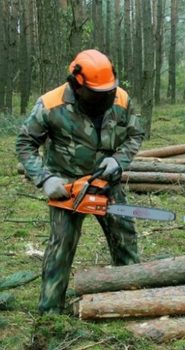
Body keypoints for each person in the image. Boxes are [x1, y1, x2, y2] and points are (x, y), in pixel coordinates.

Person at [16, 49, 145, 314]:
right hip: (67, 187)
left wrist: (119, 161)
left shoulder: (121, 99)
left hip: (106, 183)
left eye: (107, 93)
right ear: (77, 84)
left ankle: (132, 300)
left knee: (125, 239)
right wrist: (44, 178)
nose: (104, 99)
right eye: (97, 95)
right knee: (60, 247)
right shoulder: (50, 104)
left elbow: (136, 134)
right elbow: (25, 143)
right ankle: (50, 313)